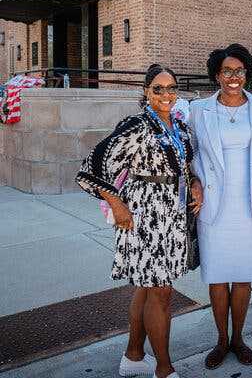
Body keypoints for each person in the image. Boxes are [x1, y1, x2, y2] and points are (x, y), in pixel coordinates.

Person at [76, 65, 202, 378]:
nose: (166, 94)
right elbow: (91, 167)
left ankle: (133, 356)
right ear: (145, 91)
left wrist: (195, 181)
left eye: (171, 88)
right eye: (157, 89)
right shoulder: (136, 125)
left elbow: (183, 165)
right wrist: (116, 203)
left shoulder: (178, 125)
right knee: (161, 292)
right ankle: (164, 368)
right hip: (144, 216)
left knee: (148, 289)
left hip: (171, 217)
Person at [188, 43, 252, 370]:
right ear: (216, 75)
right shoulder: (198, 109)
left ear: (246, 73)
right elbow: (189, 152)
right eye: (226, 71)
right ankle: (221, 340)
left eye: (239, 70)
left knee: (244, 276)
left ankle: (239, 338)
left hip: (249, 204)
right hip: (213, 205)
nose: (233, 77)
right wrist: (193, 179)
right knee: (218, 278)